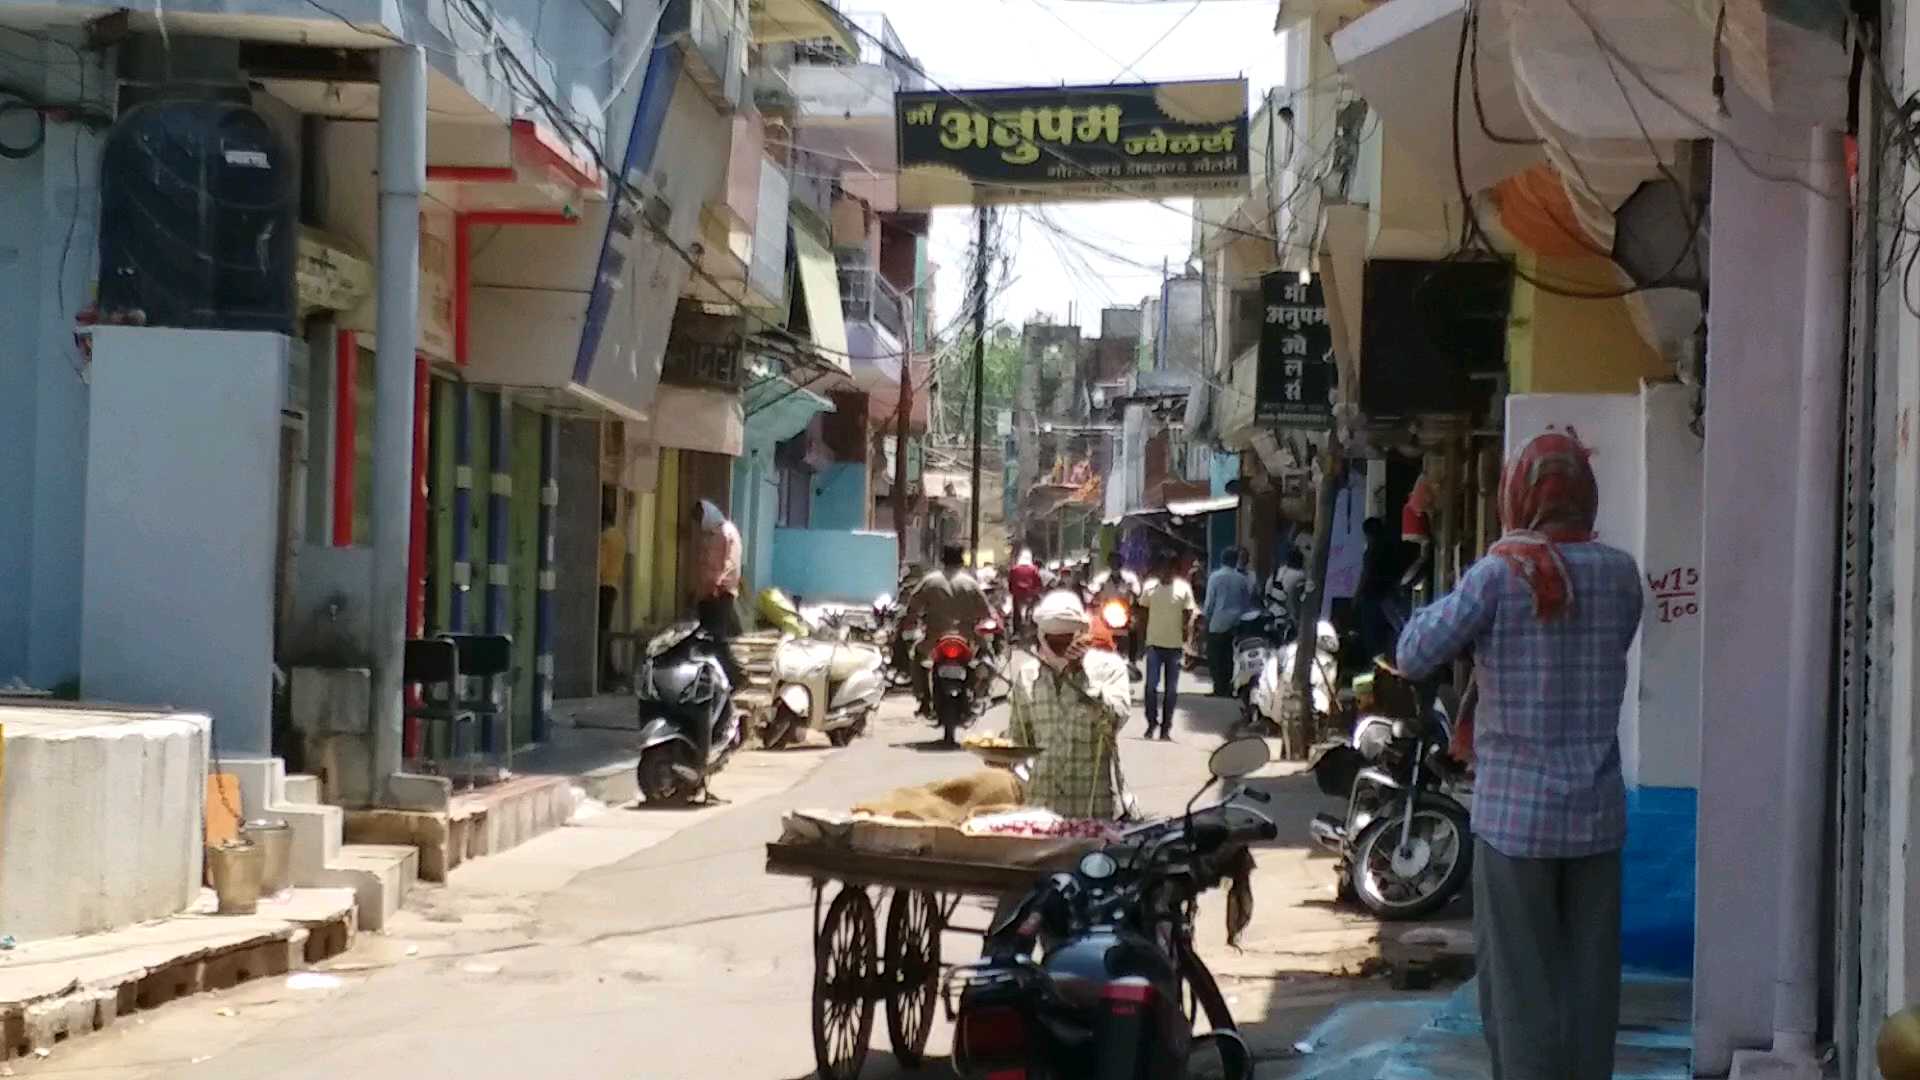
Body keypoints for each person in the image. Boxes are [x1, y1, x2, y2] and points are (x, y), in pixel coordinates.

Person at [1393, 432, 1642, 1080]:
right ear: (1582, 495)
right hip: (1597, 816)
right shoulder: (1620, 573)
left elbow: (1415, 652)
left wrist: (1496, 562)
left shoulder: (1500, 574)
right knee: (1591, 988)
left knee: (1519, 989)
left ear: (1518, 495)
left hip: (1515, 819)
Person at [1007, 590, 1134, 818]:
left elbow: (1116, 719)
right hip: (1041, 808)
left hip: (1091, 809)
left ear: (1082, 634)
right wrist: (1001, 757)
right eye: (1052, 642)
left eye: (1066, 640)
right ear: (1040, 636)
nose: (1059, 649)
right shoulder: (1027, 676)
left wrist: (1082, 679)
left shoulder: (1109, 668)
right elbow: (1018, 739)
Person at [904, 543, 993, 721]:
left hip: (935, 639)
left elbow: (912, 607)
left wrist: (911, 622)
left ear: (943, 560)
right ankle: (980, 695)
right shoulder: (970, 583)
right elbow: (986, 612)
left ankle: (922, 697)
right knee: (988, 659)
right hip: (966, 638)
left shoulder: (930, 581)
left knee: (916, 657)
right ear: (961, 561)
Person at [1137, 553, 1197, 740]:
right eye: (1163, 568)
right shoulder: (1149, 589)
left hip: (1174, 647)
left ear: (1175, 571)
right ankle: (1151, 722)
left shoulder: (1183, 589)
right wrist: (1141, 640)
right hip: (1154, 645)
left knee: (1171, 691)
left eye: (1170, 569)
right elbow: (1143, 613)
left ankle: (1166, 728)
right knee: (1150, 688)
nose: (1166, 572)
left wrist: (1187, 637)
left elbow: (1188, 614)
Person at [692, 499, 744, 690]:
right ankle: (711, 681)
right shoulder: (711, 534)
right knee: (706, 638)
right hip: (708, 593)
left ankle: (737, 676)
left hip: (719, 593)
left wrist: (718, 585)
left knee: (716, 638)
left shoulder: (727, 532)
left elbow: (730, 563)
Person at [1202, 548, 1257, 696]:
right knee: (1230, 657)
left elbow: (1210, 602)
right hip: (1236, 623)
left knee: (1215, 657)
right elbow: (1246, 603)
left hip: (1217, 622)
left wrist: (1206, 619)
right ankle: (1227, 687)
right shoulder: (1241, 579)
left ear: (1222, 560)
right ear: (1235, 561)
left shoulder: (1215, 577)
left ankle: (1218, 687)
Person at [598, 494, 625, 687]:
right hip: (613, 585)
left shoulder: (605, 537)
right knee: (605, 630)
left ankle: (605, 673)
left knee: (601, 633)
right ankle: (608, 671)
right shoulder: (620, 536)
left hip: (602, 586)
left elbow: (600, 564)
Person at [1267, 545, 1307, 635]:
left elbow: (1267, 593)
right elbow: (1298, 601)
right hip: (1290, 619)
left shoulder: (1277, 571)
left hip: (1273, 614)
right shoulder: (1301, 575)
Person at [1008, 550, 1043, 634]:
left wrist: (1012, 591)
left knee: (1016, 614)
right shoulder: (1033, 569)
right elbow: (1038, 582)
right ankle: (1035, 629)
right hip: (1030, 594)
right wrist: (1037, 591)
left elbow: (1010, 582)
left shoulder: (1014, 569)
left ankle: (1016, 632)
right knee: (1036, 610)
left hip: (1017, 594)